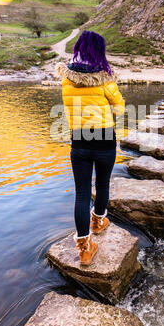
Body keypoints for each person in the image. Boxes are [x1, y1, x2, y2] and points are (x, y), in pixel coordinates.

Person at [56, 30, 125, 266]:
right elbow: (119, 109)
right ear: (99, 51)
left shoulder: (66, 79)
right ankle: (98, 222)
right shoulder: (106, 79)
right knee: (103, 183)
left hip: (80, 141)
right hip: (105, 139)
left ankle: (84, 249)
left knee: (82, 193)